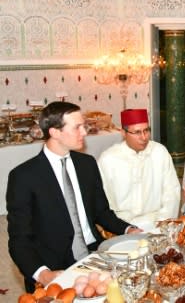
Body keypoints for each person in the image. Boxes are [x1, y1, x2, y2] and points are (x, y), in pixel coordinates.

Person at [6, 102, 140, 292]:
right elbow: (19, 241)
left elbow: (101, 212)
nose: (84, 132)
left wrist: (128, 229)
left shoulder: (87, 164)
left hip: (94, 253)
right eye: (77, 127)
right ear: (54, 132)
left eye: (83, 126)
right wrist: (43, 274)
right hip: (54, 265)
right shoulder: (24, 177)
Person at [98, 109, 181, 227]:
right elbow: (105, 199)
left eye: (146, 130)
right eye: (137, 132)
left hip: (157, 222)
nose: (144, 137)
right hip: (124, 224)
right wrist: (122, 228)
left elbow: (172, 191)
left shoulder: (159, 151)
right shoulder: (108, 159)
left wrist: (163, 222)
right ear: (123, 133)